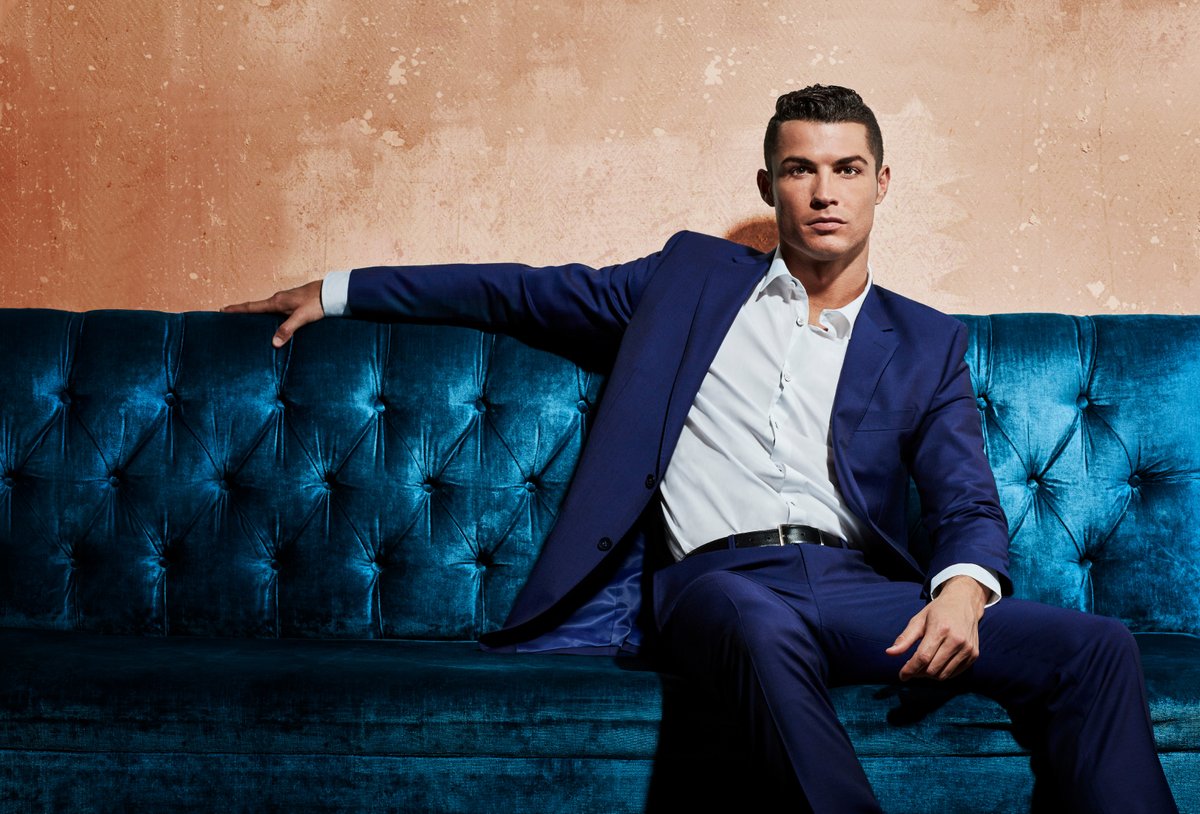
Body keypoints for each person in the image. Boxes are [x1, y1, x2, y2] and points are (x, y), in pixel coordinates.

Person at [223, 85, 1177, 813]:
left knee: (1096, 648)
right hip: (715, 584)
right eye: (801, 170)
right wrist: (336, 291)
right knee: (756, 623)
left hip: (856, 588)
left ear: (882, 184)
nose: (825, 191)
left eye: (848, 169)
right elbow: (517, 291)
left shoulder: (925, 341)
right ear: (769, 188)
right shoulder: (688, 279)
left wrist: (964, 587)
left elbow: (965, 496)